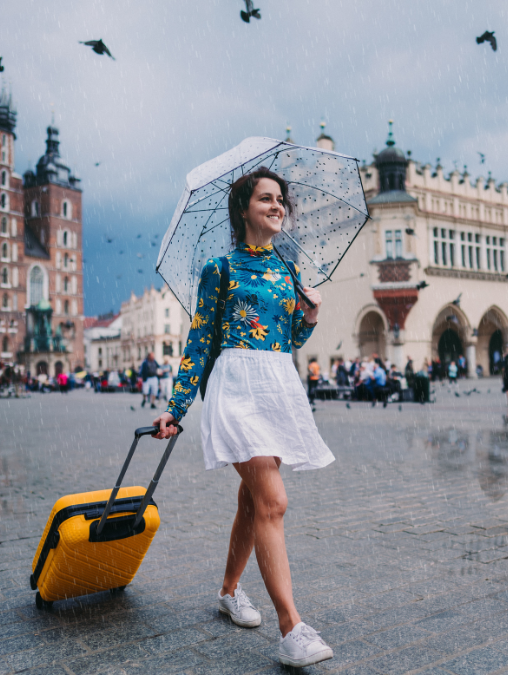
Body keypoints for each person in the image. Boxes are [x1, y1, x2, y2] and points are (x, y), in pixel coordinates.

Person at [151, 167, 334, 668]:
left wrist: (310, 317)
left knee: (253, 501)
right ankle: (291, 627)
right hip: (235, 388)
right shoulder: (220, 269)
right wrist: (177, 406)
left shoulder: (286, 269)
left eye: (281, 200)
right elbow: (200, 341)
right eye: (267, 199)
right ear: (244, 208)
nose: (278, 207)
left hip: (277, 387)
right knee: (273, 500)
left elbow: (288, 340)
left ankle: (230, 590)